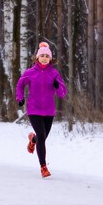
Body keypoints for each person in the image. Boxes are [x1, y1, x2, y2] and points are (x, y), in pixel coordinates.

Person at [16, 42, 67, 177]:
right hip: (34, 109)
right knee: (43, 137)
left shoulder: (54, 73)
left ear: (50, 58)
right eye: (42, 55)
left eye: (47, 56)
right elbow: (20, 85)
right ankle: (43, 167)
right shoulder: (30, 73)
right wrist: (20, 98)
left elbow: (62, 93)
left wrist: (57, 86)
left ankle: (33, 140)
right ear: (37, 58)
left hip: (49, 111)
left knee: (41, 138)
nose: (44, 58)